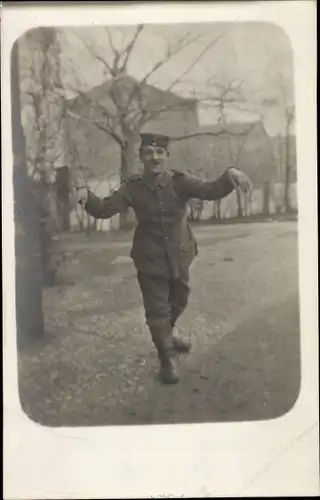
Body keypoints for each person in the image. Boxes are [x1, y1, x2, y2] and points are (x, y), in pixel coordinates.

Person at [77, 133, 253, 385]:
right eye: (148, 152)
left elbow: (211, 190)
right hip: (149, 259)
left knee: (179, 301)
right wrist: (85, 194)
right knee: (157, 309)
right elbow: (104, 209)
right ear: (141, 157)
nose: (154, 157)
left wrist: (230, 174)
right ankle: (167, 359)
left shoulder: (180, 181)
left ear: (167, 157)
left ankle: (166, 335)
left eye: (159, 153)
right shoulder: (132, 187)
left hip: (180, 254)